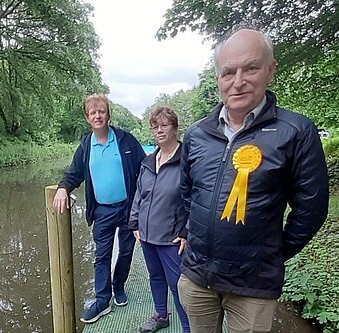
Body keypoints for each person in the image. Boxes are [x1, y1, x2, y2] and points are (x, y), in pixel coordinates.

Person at [177, 28, 329, 333]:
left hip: (253, 285)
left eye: (251, 68)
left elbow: (311, 208)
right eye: (228, 72)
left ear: (270, 70)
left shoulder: (296, 132)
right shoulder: (196, 134)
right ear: (218, 78)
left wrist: (273, 252)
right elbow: (186, 194)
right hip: (197, 278)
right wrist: (189, 237)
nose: (238, 81)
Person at [53, 93, 146, 324]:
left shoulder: (125, 140)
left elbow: (145, 169)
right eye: (93, 112)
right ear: (87, 118)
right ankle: (102, 300)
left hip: (127, 209)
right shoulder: (86, 145)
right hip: (102, 211)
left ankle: (119, 286)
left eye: (101, 111)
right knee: (101, 256)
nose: (98, 115)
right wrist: (63, 187)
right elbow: (74, 173)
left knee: (126, 251)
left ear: (108, 114)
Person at [130, 107, 190, 333]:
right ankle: (161, 315)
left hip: (172, 237)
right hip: (147, 234)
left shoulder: (187, 161)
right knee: (155, 276)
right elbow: (139, 194)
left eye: (164, 125)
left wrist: (186, 230)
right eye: (155, 126)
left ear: (175, 127)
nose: (159, 130)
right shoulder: (148, 161)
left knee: (177, 285)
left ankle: (188, 327)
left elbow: (196, 199)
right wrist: (134, 222)